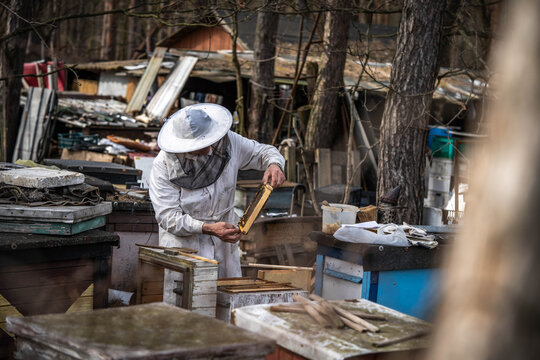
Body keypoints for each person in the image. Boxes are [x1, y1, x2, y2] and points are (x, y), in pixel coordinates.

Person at [149, 103, 285, 304]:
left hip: (224, 244)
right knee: (186, 312)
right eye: (198, 147)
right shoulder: (163, 165)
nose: (207, 150)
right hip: (186, 248)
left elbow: (264, 152)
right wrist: (207, 228)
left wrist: (275, 164)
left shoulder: (230, 142)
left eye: (209, 141)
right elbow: (168, 217)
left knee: (226, 307)